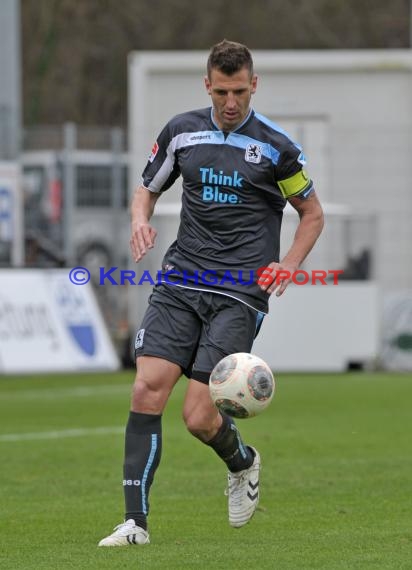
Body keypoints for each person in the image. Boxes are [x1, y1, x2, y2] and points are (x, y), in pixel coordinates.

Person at [99, 39, 324, 547]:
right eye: (222, 91)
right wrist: (140, 221)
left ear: (254, 86)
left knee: (199, 416)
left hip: (240, 291)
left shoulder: (276, 148)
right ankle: (135, 523)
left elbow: (312, 214)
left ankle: (242, 463)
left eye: (240, 91)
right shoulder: (181, 132)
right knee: (146, 388)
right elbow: (147, 188)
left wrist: (289, 266)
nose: (230, 101)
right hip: (181, 278)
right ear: (207, 85)